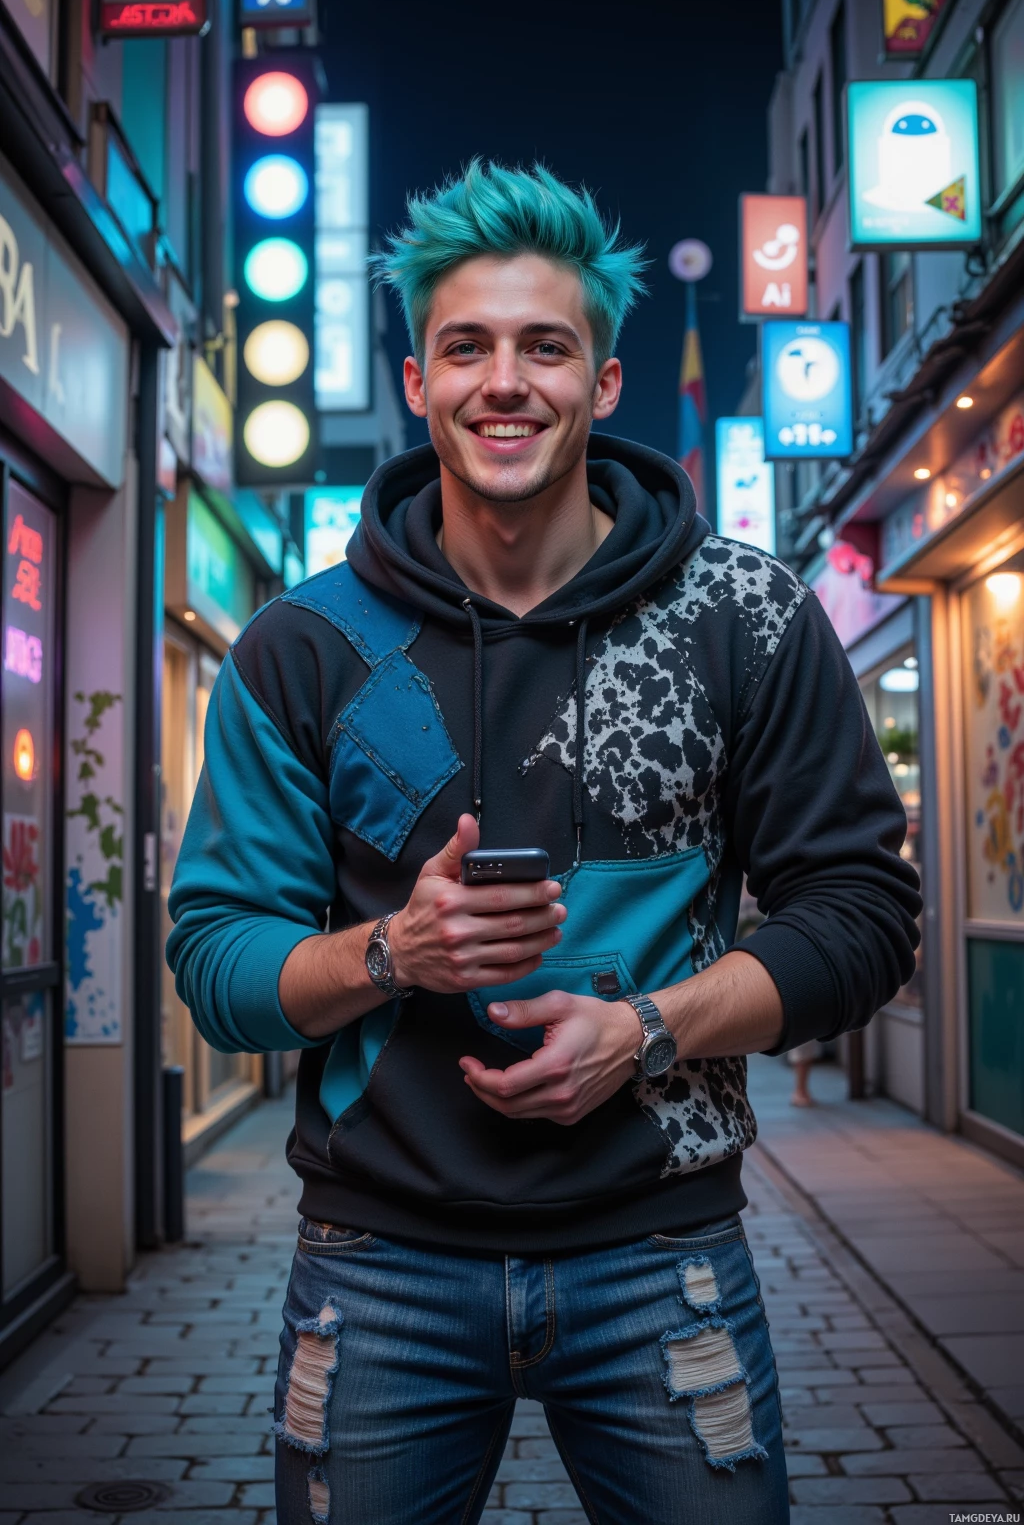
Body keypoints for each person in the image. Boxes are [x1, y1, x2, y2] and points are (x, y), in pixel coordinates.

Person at [167, 161, 921, 1525]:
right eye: (467, 346)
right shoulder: (304, 648)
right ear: (417, 382)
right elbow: (218, 964)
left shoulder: (745, 617)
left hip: (664, 1253)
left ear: (606, 383)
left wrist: (652, 1029)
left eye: (545, 347)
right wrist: (394, 951)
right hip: (376, 1261)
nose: (503, 381)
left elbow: (862, 912)